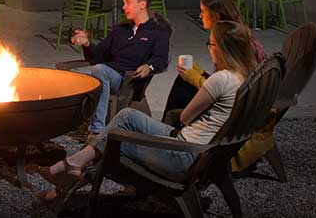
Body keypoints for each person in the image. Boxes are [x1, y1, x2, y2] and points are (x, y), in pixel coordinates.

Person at [38, 20, 257, 203]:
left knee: (113, 145)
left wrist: (196, 80)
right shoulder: (247, 76)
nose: (209, 48)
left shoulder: (220, 80)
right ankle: (76, 162)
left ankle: (67, 180)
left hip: (183, 155)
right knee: (126, 116)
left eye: (210, 43)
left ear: (222, 48)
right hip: (200, 151)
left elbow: (185, 117)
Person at [70, 0, 170, 135]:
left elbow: (161, 58)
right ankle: (72, 125)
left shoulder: (158, 30)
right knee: (74, 77)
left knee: (99, 70)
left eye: (128, 2)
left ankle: (97, 131)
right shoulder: (120, 30)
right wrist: (87, 44)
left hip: (128, 80)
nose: (124, 7)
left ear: (142, 4)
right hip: (107, 73)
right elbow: (99, 55)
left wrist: (149, 66)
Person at [163, 0, 266, 117]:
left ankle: (172, 127)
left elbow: (231, 88)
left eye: (203, 11)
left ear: (215, 15)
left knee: (182, 89)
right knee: (183, 79)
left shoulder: (236, 42)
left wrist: (196, 78)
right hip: (235, 96)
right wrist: (199, 73)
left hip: (238, 106)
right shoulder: (234, 35)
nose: (200, 16)